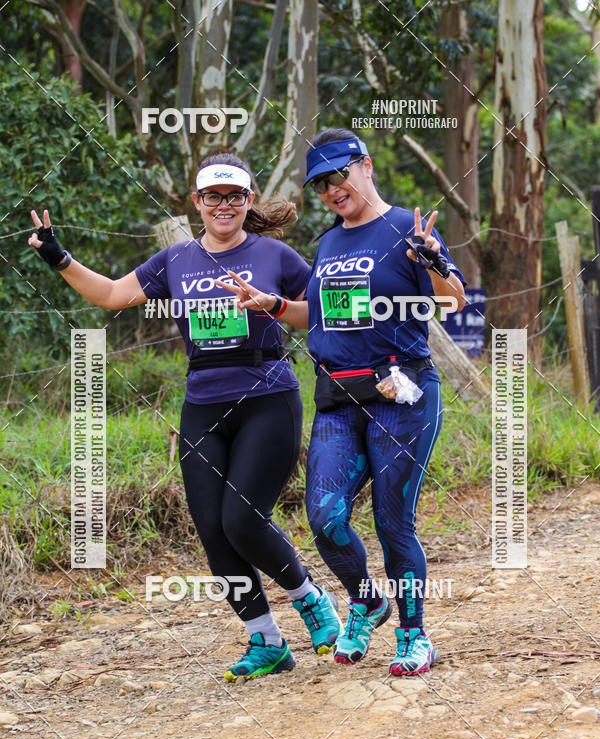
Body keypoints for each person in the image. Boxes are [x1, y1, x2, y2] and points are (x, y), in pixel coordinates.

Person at [27, 152, 341, 682]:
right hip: (203, 406)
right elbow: (110, 295)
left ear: (248, 201)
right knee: (215, 533)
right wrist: (59, 258)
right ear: (197, 202)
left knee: (242, 519)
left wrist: (270, 304)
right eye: (213, 196)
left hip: (267, 399)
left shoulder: (276, 254)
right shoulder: (175, 260)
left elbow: (323, 308)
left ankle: (308, 597)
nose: (224, 205)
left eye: (235, 196)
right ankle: (265, 641)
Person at [301, 128, 467, 675]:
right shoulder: (327, 242)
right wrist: (273, 304)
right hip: (338, 399)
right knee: (325, 517)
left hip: (402, 395)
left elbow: (455, 299)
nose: (331, 190)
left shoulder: (405, 229)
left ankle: (414, 635)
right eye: (321, 184)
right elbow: (320, 316)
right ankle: (367, 600)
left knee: (393, 522)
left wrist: (435, 259)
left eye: (338, 176)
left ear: (365, 166)